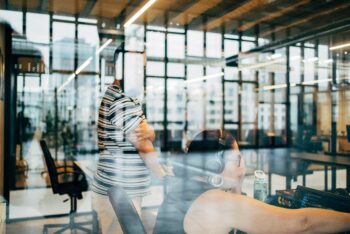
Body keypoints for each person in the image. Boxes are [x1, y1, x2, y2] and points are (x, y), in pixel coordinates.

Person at [153, 129, 350, 234]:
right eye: (237, 160)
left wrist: (234, 183)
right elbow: (302, 223)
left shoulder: (184, 188)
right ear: (214, 166)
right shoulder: (214, 202)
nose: (243, 167)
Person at [91, 43, 166, 234]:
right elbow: (143, 145)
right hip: (120, 193)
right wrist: (164, 175)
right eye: (137, 67)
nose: (141, 73)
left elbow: (146, 133)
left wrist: (151, 132)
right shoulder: (122, 101)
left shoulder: (127, 98)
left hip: (120, 190)